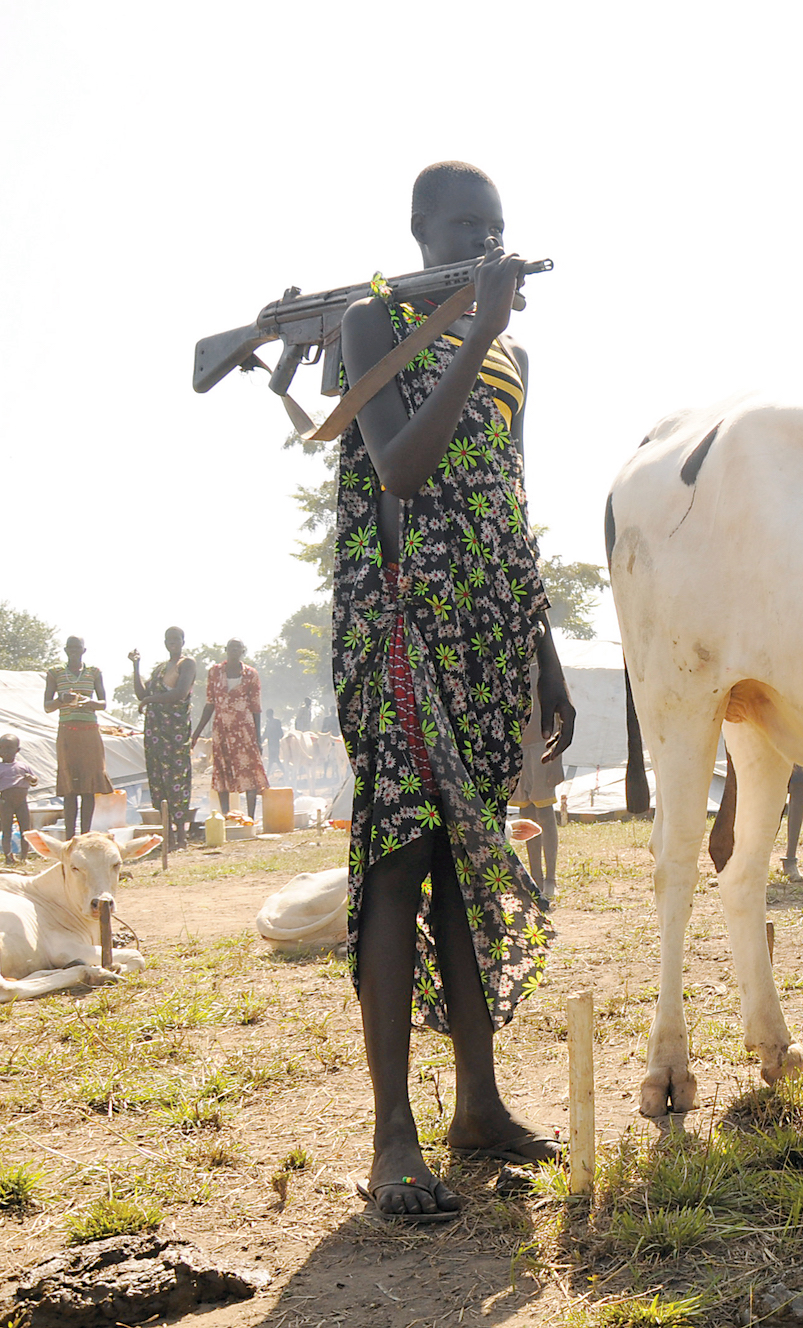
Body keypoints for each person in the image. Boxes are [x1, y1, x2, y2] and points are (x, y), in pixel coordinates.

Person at [332, 160, 575, 1220]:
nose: (481, 243)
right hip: (399, 627)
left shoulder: (516, 354)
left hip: (483, 634)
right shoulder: (370, 322)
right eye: (461, 228)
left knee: (472, 869)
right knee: (401, 862)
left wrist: (543, 643)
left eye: (495, 227)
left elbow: (507, 496)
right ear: (421, 231)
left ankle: (477, 1106)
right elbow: (398, 469)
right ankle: (395, 1135)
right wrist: (472, 327)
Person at [130, 629, 197, 850]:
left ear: (182, 642)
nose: (173, 644)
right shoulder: (160, 669)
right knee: (158, 781)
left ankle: (181, 837)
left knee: (177, 781)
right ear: (165, 643)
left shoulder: (187, 664)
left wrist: (151, 699)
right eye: (169, 641)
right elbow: (142, 694)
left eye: (176, 640)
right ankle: (168, 835)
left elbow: (179, 693)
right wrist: (136, 666)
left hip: (174, 733)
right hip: (155, 732)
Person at [192, 639, 269, 819]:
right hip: (222, 730)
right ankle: (227, 817)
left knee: (249, 770)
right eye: (231, 647)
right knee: (222, 772)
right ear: (226, 650)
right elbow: (209, 704)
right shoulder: (215, 672)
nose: (234, 650)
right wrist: (196, 734)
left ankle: (249, 818)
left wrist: (258, 738)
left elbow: (256, 708)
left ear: (243, 650)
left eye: (238, 647)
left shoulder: (251, 674)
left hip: (245, 729)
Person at [43, 636, 112, 838]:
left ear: (84, 650)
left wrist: (89, 702)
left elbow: (103, 703)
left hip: (90, 732)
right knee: (70, 787)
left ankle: (85, 834)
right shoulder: (55, 673)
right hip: (67, 733)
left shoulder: (94, 672)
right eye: (70, 648)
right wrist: (61, 699)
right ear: (65, 650)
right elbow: (47, 706)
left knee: (89, 786)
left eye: (77, 648)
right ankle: (70, 836)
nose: (74, 651)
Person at [513, 654, 562, 903]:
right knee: (526, 814)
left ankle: (551, 878)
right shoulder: (506, 662)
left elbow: (560, 711)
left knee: (545, 811)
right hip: (516, 745)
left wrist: (556, 755)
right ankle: (535, 876)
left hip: (542, 743)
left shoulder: (545, 667)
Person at [0, 735, 37, 863]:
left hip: (22, 802)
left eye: (9, 748)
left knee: (26, 830)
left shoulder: (23, 766)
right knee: (6, 830)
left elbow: (35, 781)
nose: (5, 752)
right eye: (1, 748)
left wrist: (31, 778)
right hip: (6, 802)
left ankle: (23, 857)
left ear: (17, 750)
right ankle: (8, 857)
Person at [264, 708, 282, 772]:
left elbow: (280, 733)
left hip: (275, 743)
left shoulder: (276, 722)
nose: (267, 715)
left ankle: (285, 772)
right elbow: (265, 733)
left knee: (274, 759)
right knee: (273, 759)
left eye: (267, 714)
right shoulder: (269, 722)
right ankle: (285, 772)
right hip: (271, 743)